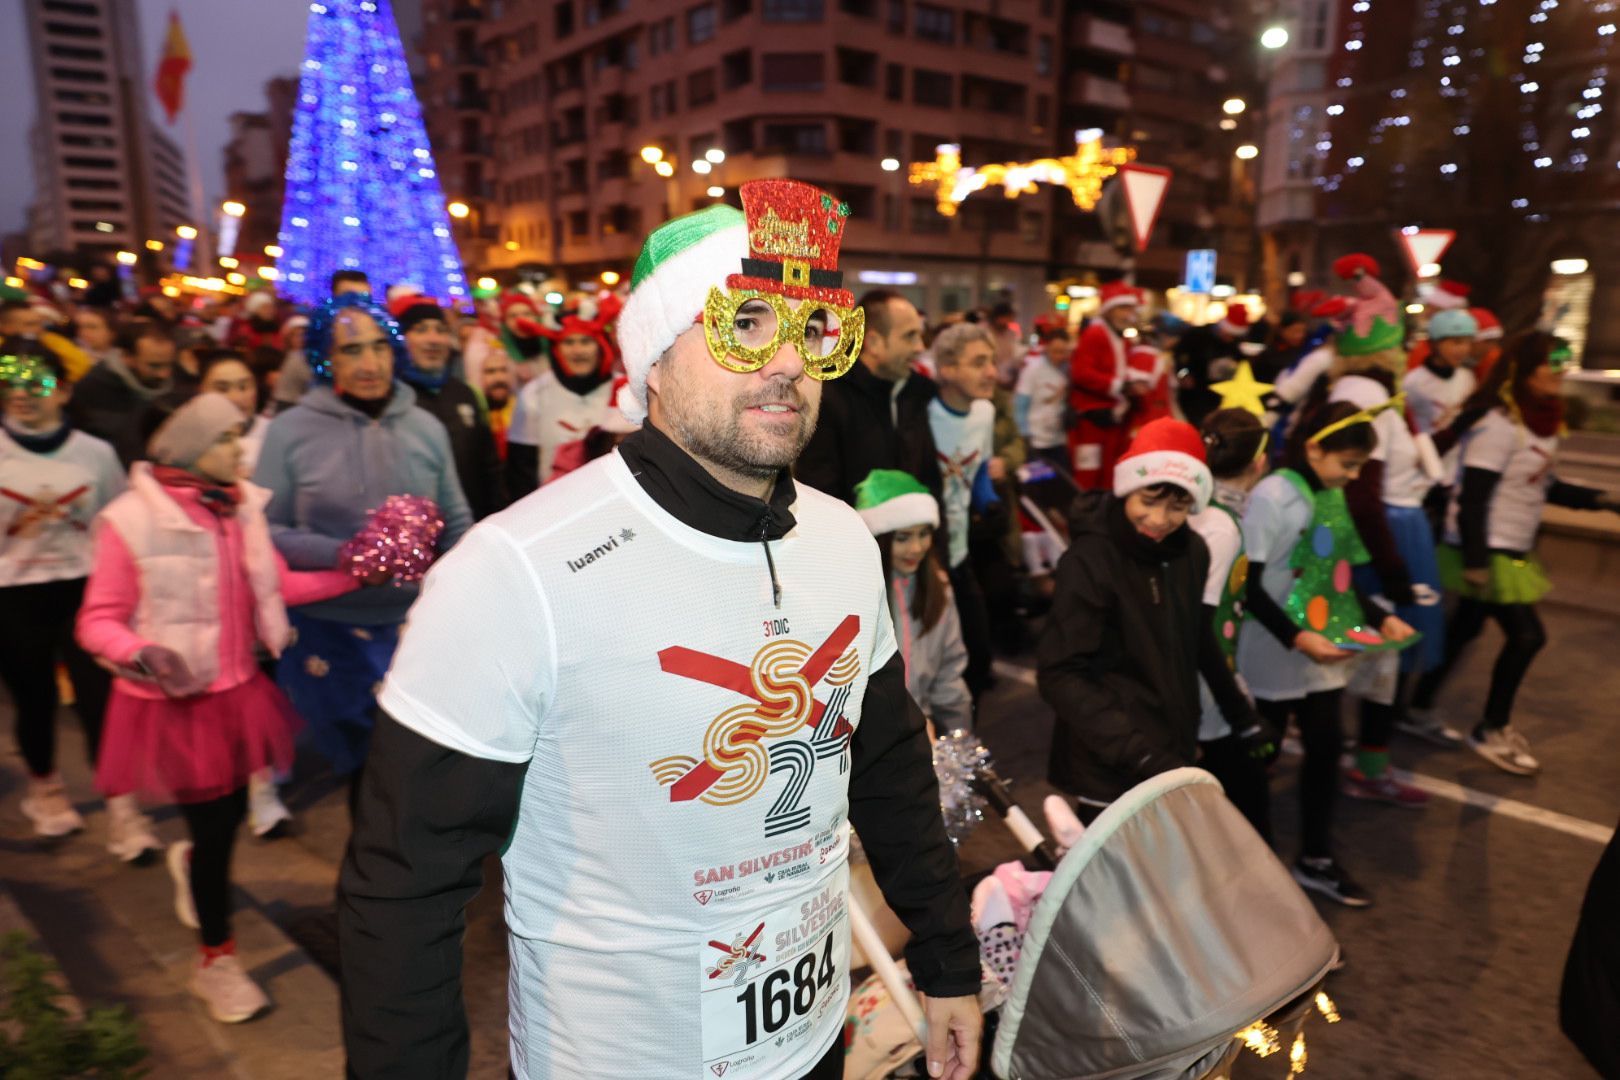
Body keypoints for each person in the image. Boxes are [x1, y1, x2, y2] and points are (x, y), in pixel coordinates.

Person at [339, 181, 982, 1080]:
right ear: (653, 357)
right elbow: (405, 889)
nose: (788, 361)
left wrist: (947, 959)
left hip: (812, 1043)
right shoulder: (516, 571)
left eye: (813, 331)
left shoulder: (841, 537)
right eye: (747, 322)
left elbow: (885, 770)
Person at [76, 393, 358, 1023]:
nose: (242, 450)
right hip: (175, 706)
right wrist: (142, 651)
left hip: (239, 694)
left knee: (225, 822)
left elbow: (278, 585)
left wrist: (359, 573)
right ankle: (217, 961)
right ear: (189, 450)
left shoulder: (239, 511)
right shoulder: (130, 521)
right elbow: (97, 620)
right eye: (228, 438)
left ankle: (196, 867)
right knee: (214, 829)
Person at [253, 294, 473, 782]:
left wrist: (459, 595)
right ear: (323, 357)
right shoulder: (290, 431)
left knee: (416, 772)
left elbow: (456, 519)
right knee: (358, 772)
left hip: (414, 625)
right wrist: (344, 555)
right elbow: (265, 526)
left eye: (380, 347)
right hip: (328, 628)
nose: (369, 363)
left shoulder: (425, 426)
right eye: (350, 351)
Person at [1411, 333, 1619, 775]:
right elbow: (1473, 499)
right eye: (1553, 362)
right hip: (1489, 547)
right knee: (1527, 636)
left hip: (1511, 543)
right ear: (1524, 369)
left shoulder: (1537, 424)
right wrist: (1475, 560)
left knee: (1464, 630)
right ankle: (1491, 727)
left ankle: (1413, 705)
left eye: (1566, 361)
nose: (1562, 371)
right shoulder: (1499, 425)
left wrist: (1603, 499)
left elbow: (1545, 485)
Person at [1039, 417, 1265, 824]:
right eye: (1149, 500)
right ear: (1127, 488)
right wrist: (1137, 752)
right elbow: (1060, 673)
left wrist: (1241, 716)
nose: (1159, 519)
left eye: (1178, 506)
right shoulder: (1090, 559)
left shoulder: (1191, 551)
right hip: (1108, 760)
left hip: (1168, 747)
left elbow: (1196, 637)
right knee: (1114, 880)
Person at [1237, 400, 1417, 907]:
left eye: (1362, 465)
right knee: (1259, 756)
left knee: (1326, 745)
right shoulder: (1272, 496)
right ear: (1314, 448)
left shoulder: (1332, 494)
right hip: (1273, 647)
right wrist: (1296, 637)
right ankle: (1241, 859)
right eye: (1348, 463)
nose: (1354, 475)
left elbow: (1336, 573)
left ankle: (1315, 856)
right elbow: (1247, 587)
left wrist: (1378, 615)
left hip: (1321, 646)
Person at [0, 351, 145, 852]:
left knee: (101, 702)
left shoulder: (96, 453)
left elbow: (118, 522)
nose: (21, 393)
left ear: (63, 391)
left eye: (34, 383)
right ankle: (46, 790)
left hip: (86, 590)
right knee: (34, 700)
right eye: (10, 382)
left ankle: (123, 809)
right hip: (14, 596)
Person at [1188, 408, 1274, 838]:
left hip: (1202, 679)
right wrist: (1238, 709)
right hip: (1205, 684)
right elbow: (1198, 624)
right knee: (1246, 800)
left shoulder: (1203, 507)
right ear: (1259, 464)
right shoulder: (1221, 527)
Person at [795, 289, 942, 507]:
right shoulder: (830, 398)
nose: (920, 347)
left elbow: (930, 479)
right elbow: (820, 493)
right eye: (910, 336)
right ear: (873, 342)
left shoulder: (916, 393)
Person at [857, 470, 972, 735]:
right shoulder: (859, 593)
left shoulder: (938, 588)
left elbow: (949, 672)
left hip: (924, 731)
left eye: (924, 534)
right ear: (879, 539)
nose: (917, 547)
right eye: (903, 537)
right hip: (869, 739)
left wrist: (961, 736)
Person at [927, 323, 1000, 704]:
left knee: (977, 658)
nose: (992, 372)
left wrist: (990, 501)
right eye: (979, 363)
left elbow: (980, 468)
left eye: (992, 362)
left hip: (960, 550)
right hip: (923, 556)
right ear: (948, 369)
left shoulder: (985, 413)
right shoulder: (922, 413)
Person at [393, 296, 507, 520]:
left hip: (475, 522)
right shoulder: (394, 400)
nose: (433, 339)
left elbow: (489, 465)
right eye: (421, 329)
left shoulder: (463, 393)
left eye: (440, 330)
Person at [505, 295, 620, 497]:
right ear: (557, 349)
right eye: (568, 342)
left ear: (601, 346)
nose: (577, 351)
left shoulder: (624, 389)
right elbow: (521, 470)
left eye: (585, 341)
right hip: (552, 505)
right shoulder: (534, 393)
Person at [70, 320, 177, 465]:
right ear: (127, 357)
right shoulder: (93, 388)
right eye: (154, 365)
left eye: (169, 364)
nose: (164, 374)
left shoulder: (174, 388)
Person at [1067, 282, 1139, 490]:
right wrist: (1119, 386)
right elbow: (1081, 373)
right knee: (1088, 472)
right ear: (1109, 310)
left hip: (1112, 416)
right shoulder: (1095, 334)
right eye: (1123, 308)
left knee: (1108, 473)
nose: (1128, 315)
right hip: (1091, 419)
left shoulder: (1120, 338)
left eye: (1130, 308)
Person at [1174, 302, 1251, 426]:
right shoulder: (1197, 335)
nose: (1230, 338)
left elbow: (1241, 364)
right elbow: (1180, 358)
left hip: (1219, 396)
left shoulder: (1235, 345)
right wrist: (1184, 374)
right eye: (1229, 334)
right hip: (1195, 394)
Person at [1014, 323, 1072, 474]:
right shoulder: (1033, 369)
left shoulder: (1068, 369)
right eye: (1055, 351)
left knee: (1059, 483)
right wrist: (1023, 434)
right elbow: (1020, 404)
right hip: (1036, 440)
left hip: (1058, 439)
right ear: (1047, 348)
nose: (1060, 356)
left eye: (1063, 352)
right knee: (1039, 483)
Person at [1, 298, 92, 383]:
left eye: (40, 323)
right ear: (5, 327)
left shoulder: (49, 340)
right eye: (30, 324)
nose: (39, 329)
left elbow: (82, 370)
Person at [478, 350, 517, 458]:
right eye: (490, 371)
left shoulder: (523, 410)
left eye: (504, 370)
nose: (499, 378)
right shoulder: (474, 414)